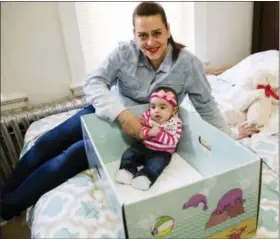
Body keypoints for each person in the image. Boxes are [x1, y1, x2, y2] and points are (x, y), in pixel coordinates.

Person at [0, 1, 258, 221]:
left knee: (68, 158)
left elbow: (207, 106)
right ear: (134, 35)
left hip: (143, 130)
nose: (150, 42)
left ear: (168, 30)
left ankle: (6, 210)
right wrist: (121, 115)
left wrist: (229, 138)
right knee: (47, 143)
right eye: (142, 35)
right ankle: (4, 194)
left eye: (157, 33)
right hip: (109, 113)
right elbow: (94, 82)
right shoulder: (124, 53)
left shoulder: (188, 64)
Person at [115, 87, 183, 191]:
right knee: (130, 152)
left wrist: (159, 133)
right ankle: (127, 169)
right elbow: (140, 128)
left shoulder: (175, 123)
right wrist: (149, 133)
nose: (156, 111)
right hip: (144, 146)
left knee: (157, 165)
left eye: (162, 107)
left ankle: (145, 177)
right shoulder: (147, 116)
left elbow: (173, 141)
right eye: (153, 106)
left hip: (162, 152)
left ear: (173, 110)